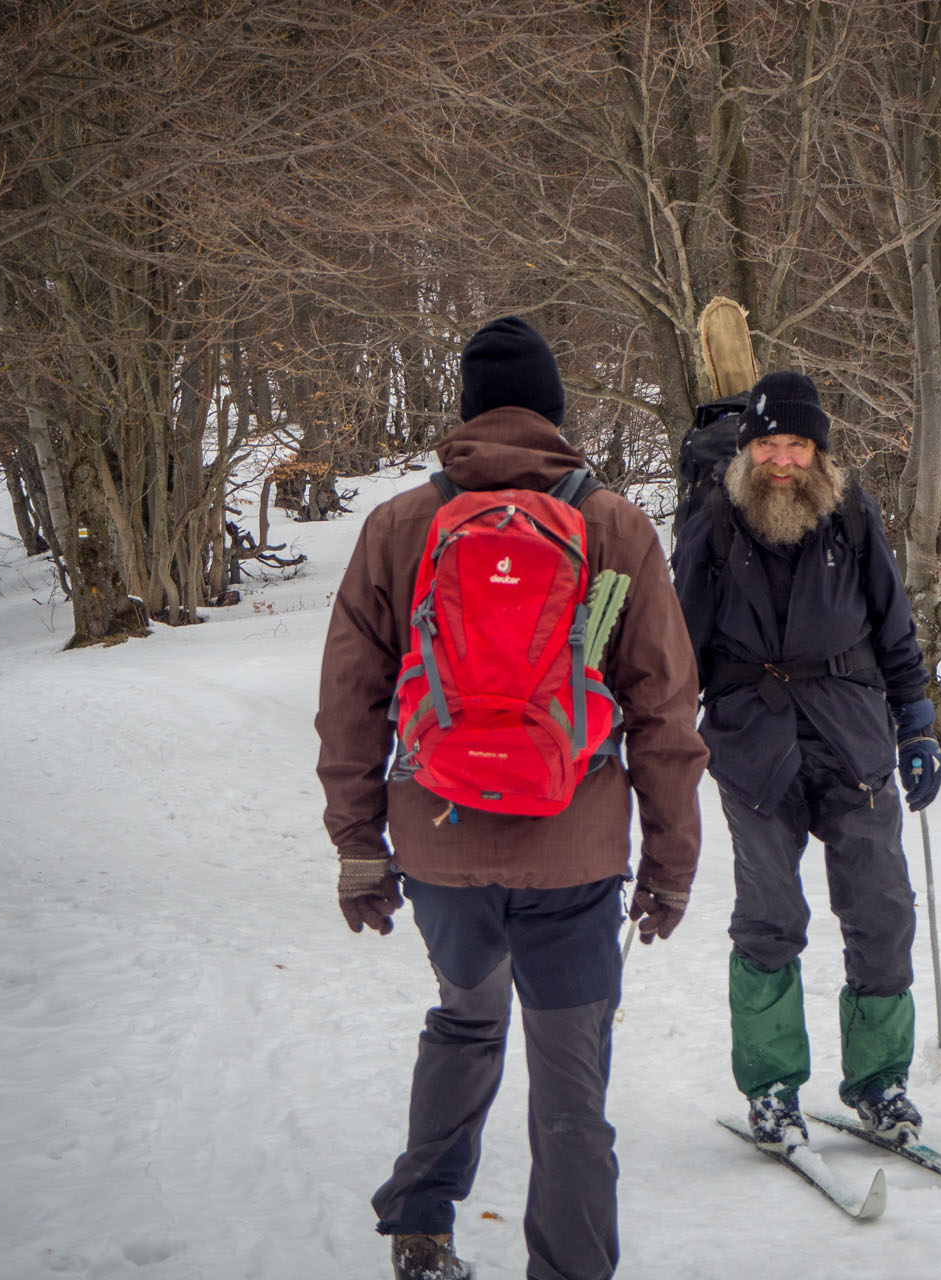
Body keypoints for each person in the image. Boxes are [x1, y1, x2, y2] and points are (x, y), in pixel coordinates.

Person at [316, 314, 707, 1280]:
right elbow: (664, 709)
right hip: (572, 853)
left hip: (439, 845)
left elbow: (351, 701)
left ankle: (419, 1223)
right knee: (571, 1082)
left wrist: (358, 842)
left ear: (464, 412)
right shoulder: (611, 525)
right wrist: (671, 862)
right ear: (555, 411)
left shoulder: (402, 523)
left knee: (464, 1018)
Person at [670, 369, 941, 1151]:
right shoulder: (713, 525)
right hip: (751, 746)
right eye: (768, 444)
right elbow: (678, 643)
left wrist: (917, 726)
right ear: (747, 450)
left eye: (797, 444)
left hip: (852, 739)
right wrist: (660, 734)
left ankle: (881, 1081)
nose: (782, 460)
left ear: (819, 453)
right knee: (769, 919)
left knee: (882, 910)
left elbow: (894, 627)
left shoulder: (853, 516)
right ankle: (772, 1089)